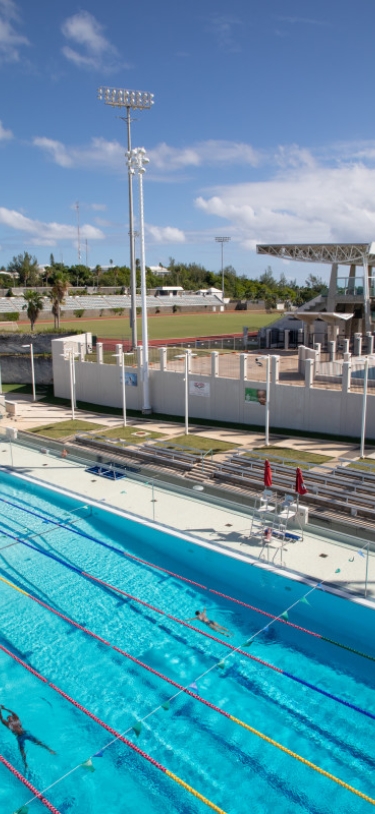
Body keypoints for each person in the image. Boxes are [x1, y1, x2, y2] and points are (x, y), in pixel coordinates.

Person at [0, 705, 56, 771]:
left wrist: (5, 708)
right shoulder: (8, 725)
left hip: (26, 733)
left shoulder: (17, 719)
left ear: (13, 718)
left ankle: (49, 749)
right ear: (8, 720)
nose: (9, 718)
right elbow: (1, 718)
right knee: (22, 751)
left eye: (10, 717)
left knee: (38, 742)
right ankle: (26, 764)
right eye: (8, 718)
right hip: (20, 738)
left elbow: (13, 712)